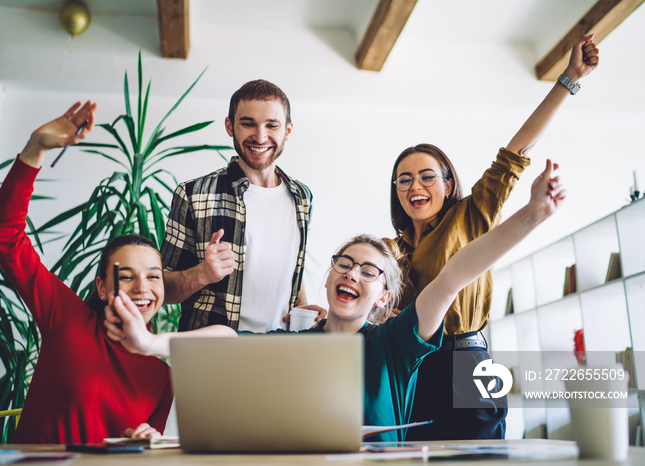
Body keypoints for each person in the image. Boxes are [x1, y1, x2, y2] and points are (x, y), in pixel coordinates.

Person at [104, 159, 565, 441]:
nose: (352, 274)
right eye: (344, 264)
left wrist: (533, 215)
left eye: (369, 271)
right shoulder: (295, 343)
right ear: (327, 279)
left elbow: (454, 275)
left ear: (385, 296)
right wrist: (149, 343)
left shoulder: (395, 345)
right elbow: (226, 337)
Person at [388, 35, 599, 440]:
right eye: (404, 179)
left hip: (468, 358)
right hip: (411, 369)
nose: (415, 185)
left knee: (483, 455)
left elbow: (516, 149)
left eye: (427, 176)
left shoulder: (472, 213)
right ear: (396, 191)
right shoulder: (389, 251)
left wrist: (569, 79)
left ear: (448, 184)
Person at [0, 101, 176, 443]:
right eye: (126, 275)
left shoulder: (163, 376)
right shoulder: (68, 319)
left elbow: (142, 447)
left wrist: (148, 441)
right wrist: (35, 148)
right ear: (101, 287)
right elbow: (4, 234)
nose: (142, 287)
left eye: (153, 275)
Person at [161, 79, 323, 333]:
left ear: (287, 131)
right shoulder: (193, 194)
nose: (260, 136)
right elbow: (163, 289)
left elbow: (293, 268)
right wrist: (202, 274)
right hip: (214, 355)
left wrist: (303, 307)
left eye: (272, 125)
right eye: (248, 124)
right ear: (230, 126)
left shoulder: (302, 197)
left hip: (281, 349)